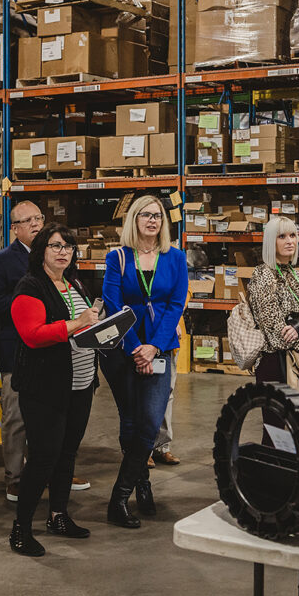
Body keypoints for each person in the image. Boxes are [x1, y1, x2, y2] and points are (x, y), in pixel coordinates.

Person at [0, 201, 89, 500]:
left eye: (38, 218)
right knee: (17, 417)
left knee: (57, 418)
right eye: (26, 220)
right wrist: (30, 303)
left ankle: (56, 471)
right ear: (14, 228)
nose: (35, 224)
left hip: (59, 351)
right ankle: (16, 477)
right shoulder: (1, 261)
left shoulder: (61, 257)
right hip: (18, 350)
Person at [8, 224, 100, 556]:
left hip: (81, 382)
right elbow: (32, 335)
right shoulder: (30, 287)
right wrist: (78, 324)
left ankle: (58, 515)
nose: (64, 251)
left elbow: (85, 324)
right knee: (44, 458)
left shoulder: (73, 283)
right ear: (41, 251)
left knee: (67, 453)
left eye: (69, 246)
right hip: (46, 386)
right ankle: (21, 528)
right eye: (56, 245)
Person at [101, 195, 188, 527]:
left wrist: (152, 347)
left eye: (158, 216)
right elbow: (114, 304)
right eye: (146, 215)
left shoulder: (175, 257)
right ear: (134, 219)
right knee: (130, 423)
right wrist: (136, 347)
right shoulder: (117, 257)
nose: (153, 220)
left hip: (160, 349)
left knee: (150, 422)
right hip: (123, 351)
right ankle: (143, 486)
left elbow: (175, 304)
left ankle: (119, 496)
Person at [246, 216, 299, 429]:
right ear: (270, 241)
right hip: (274, 361)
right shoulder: (263, 275)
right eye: (281, 236)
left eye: (292, 235)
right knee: (276, 428)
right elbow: (272, 329)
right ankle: (275, 463)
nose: (289, 241)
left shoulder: (298, 276)